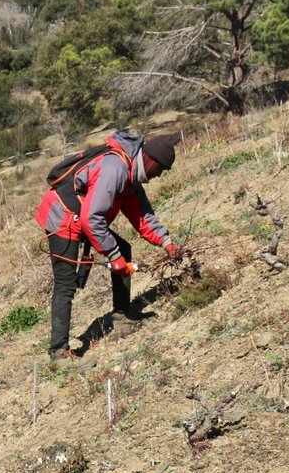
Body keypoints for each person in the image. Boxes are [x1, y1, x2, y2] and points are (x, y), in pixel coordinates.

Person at [35, 131, 183, 363]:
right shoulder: (115, 169)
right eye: (160, 169)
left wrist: (167, 243)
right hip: (63, 216)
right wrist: (113, 256)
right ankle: (59, 352)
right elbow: (92, 219)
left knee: (123, 250)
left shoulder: (131, 177)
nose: (158, 175)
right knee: (65, 283)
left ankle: (121, 317)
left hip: (83, 216)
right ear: (150, 161)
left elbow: (142, 216)